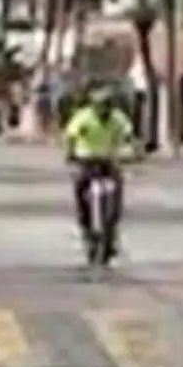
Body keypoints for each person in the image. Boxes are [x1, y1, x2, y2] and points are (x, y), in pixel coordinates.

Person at [62, 86, 139, 252]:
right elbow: (71, 135)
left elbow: (129, 136)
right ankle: (86, 227)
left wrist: (134, 152)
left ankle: (111, 230)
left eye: (106, 105)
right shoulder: (83, 117)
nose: (103, 108)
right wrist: (70, 153)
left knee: (116, 190)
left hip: (108, 161)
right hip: (86, 160)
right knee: (81, 189)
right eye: (100, 105)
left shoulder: (118, 118)